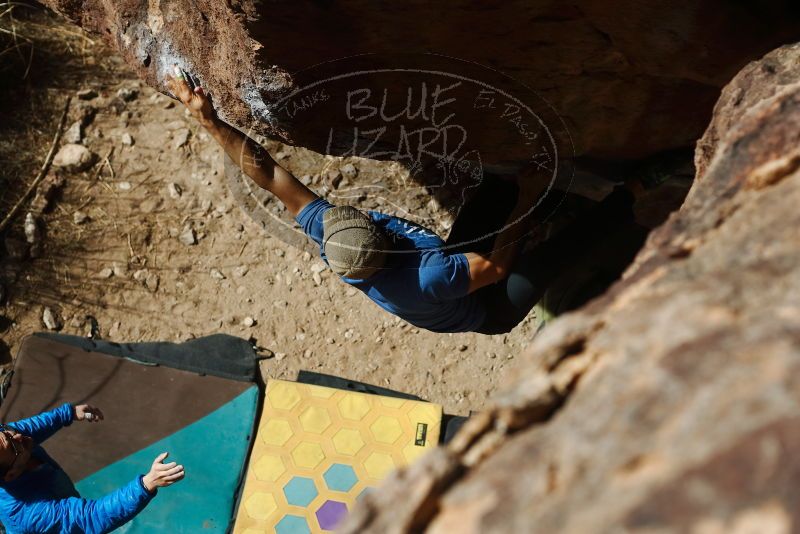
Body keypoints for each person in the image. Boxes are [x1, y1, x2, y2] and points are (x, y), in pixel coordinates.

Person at [167, 68, 642, 334]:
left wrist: (209, 121)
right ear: (388, 243)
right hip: (487, 309)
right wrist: (529, 199)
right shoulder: (426, 275)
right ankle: (635, 196)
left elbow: (268, 173)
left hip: (451, 274)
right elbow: (494, 271)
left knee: (492, 195)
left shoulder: (334, 236)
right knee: (550, 257)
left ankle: (547, 199)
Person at [0, 402, 184, 533]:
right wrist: (146, 485)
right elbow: (92, 517)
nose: (17, 435)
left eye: (6, 432)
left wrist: (68, 413)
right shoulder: (30, 512)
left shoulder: (11, 441)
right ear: (11, 474)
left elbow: (28, 428)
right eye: (14, 445)